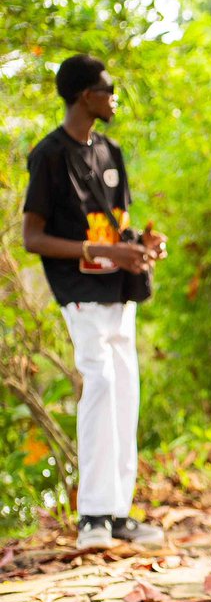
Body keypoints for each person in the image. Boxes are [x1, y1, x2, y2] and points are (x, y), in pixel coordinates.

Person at [22, 54, 167, 550]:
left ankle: (118, 513)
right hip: (78, 293)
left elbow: (116, 224)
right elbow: (32, 237)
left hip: (118, 292)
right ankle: (92, 518)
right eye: (108, 89)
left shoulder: (111, 153)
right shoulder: (49, 156)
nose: (114, 97)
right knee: (101, 383)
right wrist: (100, 251)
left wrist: (141, 246)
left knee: (126, 390)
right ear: (86, 95)